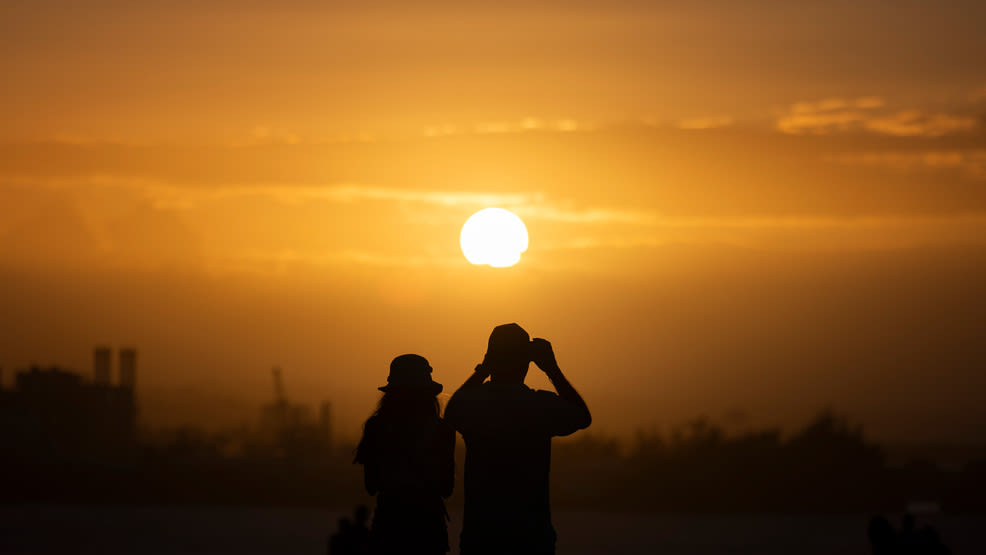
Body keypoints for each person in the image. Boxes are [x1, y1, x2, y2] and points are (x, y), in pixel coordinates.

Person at [444, 323, 592, 555]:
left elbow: (451, 412)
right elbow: (582, 417)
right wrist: (552, 369)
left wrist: (483, 369)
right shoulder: (539, 406)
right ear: (526, 364)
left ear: (492, 358)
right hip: (531, 536)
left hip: (482, 535)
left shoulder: (475, 406)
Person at [354, 354, 455, 555]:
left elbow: (371, 486)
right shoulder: (442, 430)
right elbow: (446, 488)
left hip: (388, 530)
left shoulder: (376, 427)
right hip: (429, 532)